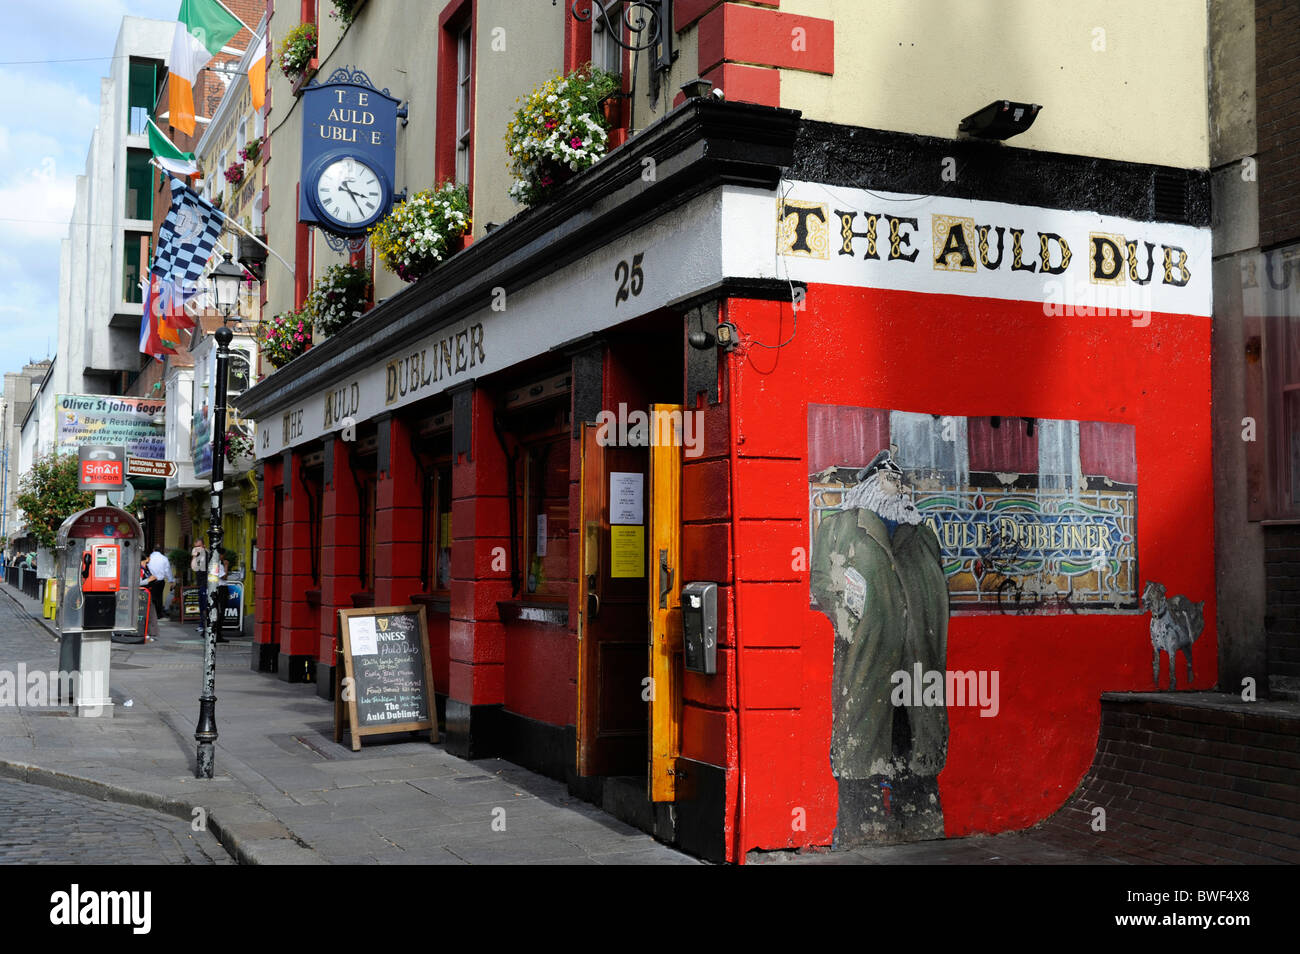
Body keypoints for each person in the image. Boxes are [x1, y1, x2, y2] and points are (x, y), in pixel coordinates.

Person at [811, 449, 950, 846]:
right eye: (891, 479)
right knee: (863, 760)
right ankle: (861, 836)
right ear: (872, 484)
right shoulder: (839, 527)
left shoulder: (922, 535)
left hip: (918, 669)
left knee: (917, 756)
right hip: (868, 663)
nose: (900, 486)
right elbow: (823, 583)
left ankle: (921, 832)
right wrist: (853, 624)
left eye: (902, 481)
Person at [145, 548, 170, 624]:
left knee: (151, 597)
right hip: (160, 581)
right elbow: (167, 570)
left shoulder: (149, 558)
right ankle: (159, 614)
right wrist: (171, 580)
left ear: (153, 550)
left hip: (151, 580)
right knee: (159, 597)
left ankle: (151, 614)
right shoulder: (164, 558)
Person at [190, 540, 208, 634]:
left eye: (199, 546)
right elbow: (193, 567)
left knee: (205, 605)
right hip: (201, 584)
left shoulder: (207, 555)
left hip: (206, 584)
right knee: (201, 605)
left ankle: (204, 625)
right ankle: (201, 624)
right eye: (195, 547)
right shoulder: (197, 557)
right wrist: (194, 556)